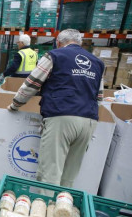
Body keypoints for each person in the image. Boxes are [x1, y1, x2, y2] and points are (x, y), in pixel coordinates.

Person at [7, 29, 104, 188]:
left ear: (58, 43)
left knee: (50, 174)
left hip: (61, 117)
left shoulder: (55, 56)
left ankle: (46, 210)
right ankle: (63, 209)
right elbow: (99, 97)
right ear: (80, 43)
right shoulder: (98, 62)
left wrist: (15, 104)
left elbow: (32, 84)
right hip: (89, 120)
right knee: (69, 176)